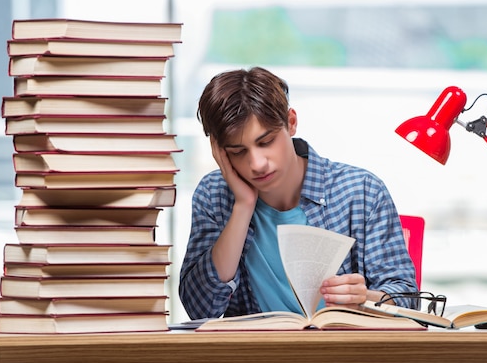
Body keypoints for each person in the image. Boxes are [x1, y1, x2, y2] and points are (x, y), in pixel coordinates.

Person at [179, 66, 419, 320]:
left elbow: (409, 300)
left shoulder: (362, 191)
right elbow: (199, 309)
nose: (257, 163)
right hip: (258, 356)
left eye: (266, 142)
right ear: (220, 152)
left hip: (346, 354)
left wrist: (365, 298)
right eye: (238, 152)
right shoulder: (213, 194)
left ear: (291, 123)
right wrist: (242, 206)